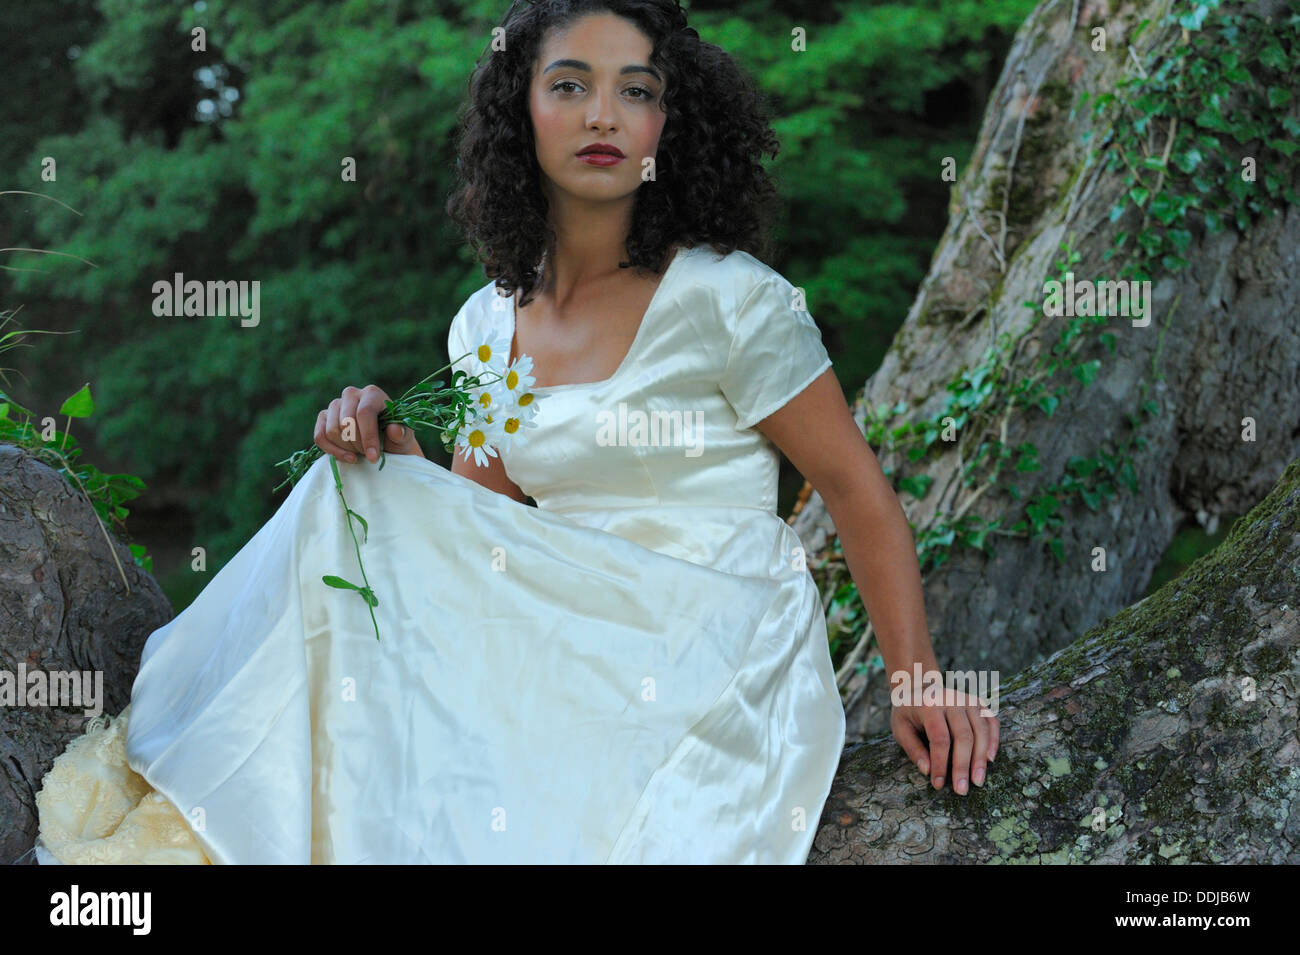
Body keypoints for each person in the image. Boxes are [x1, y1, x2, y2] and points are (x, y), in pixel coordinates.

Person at [31, 0, 997, 865]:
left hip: (710, 634)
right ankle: (212, 822)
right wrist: (391, 461)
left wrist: (918, 678)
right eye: (569, 85)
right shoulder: (485, 322)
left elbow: (857, 490)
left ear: (673, 121)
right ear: (520, 114)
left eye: (638, 90)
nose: (603, 116)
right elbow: (482, 528)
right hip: (561, 625)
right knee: (347, 495)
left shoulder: (733, 300)